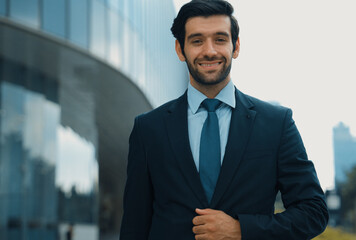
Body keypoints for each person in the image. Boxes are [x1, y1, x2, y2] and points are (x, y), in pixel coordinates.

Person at [119, 0, 328, 239]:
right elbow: (134, 226)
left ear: (236, 46)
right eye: (197, 40)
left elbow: (314, 212)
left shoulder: (277, 123)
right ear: (180, 49)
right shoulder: (148, 129)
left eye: (220, 39)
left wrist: (242, 230)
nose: (209, 51)